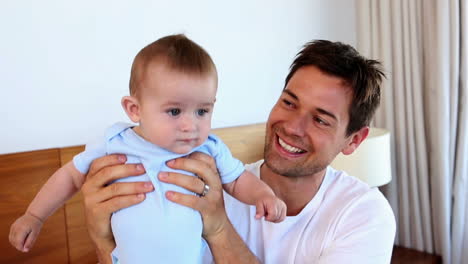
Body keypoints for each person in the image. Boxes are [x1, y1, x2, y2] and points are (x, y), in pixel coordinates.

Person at [82, 39, 396, 264]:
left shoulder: (364, 214)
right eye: (289, 102)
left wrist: (219, 229)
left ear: (353, 140)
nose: (292, 127)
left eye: (320, 120)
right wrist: (103, 242)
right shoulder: (196, 183)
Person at [8, 34, 286, 263]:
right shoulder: (114, 142)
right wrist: (35, 215)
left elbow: (238, 180)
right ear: (134, 109)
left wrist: (263, 195)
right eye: (175, 111)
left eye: (203, 111)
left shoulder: (210, 149)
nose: (191, 125)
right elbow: (69, 176)